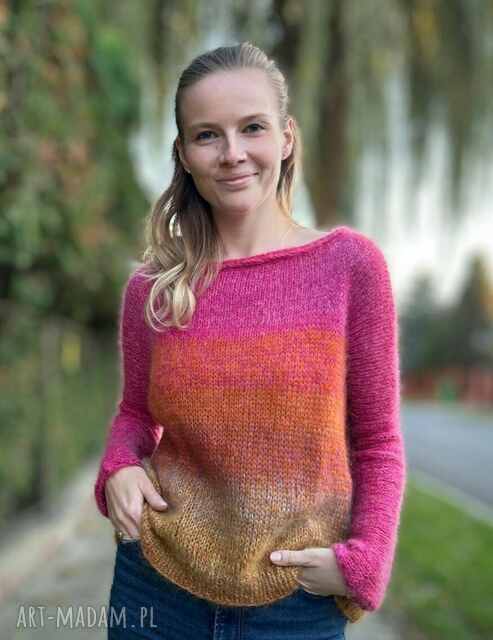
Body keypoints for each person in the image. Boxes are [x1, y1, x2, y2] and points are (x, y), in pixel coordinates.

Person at [94, 41, 407, 639]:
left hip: (295, 603)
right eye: (207, 135)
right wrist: (119, 466)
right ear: (183, 154)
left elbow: (378, 440)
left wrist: (365, 563)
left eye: (252, 128)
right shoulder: (154, 288)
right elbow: (135, 413)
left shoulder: (351, 266)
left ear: (286, 137)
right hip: (155, 587)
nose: (232, 153)